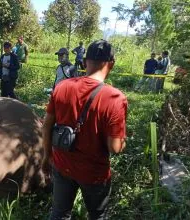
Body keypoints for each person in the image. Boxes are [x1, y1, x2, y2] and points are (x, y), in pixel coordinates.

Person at [42, 40, 127, 220]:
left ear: (85, 61)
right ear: (111, 63)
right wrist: (123, 140)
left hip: (62, 165)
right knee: (98, 215)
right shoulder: (115, 98)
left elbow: (46, 125)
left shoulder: (62, 87)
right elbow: (115, 147)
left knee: (59, 213)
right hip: (94, 174)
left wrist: (46, 156)